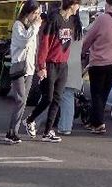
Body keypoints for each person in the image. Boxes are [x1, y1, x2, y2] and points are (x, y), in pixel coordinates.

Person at [24, 0, 80, 142]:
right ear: (71, 4)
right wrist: (41, 66)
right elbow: (45, 42)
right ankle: (30, 119)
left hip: (63, 64)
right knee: (48, 98)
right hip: (50, 64)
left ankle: (47, 131)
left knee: (57, 98)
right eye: (77, 4)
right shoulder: (54, 19)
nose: (78, 7)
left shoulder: (71, 21)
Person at [81, 0, 112, 135]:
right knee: (104, 94)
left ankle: (98, 123)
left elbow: (89, 38)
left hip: (100, 62)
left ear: (107, 3)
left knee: (96, 94)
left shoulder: (102, 19)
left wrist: (82, 51)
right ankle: (95, 120)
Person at [5, 0, 41, 143]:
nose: (37, 16)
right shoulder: (18, 25)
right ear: (28, 12)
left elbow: (34, 48)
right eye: (35, 13)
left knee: (23, 101)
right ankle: (11, 131)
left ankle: (14, 130)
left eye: (38, 13)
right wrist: (35, 27)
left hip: (30, 68)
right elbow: (24, 42)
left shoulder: (33, 27)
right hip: (19, 66)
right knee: (20, 99)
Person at [56, 28, 82, 134]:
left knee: (61, 95)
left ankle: (34, 121)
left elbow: (62, 48)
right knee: (68, 95)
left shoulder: (66, 29)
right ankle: (65, 126)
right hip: (75, 64)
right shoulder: (78, 30)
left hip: (65, 64)